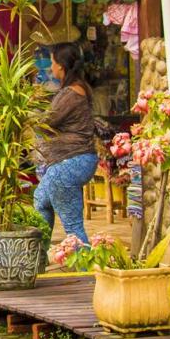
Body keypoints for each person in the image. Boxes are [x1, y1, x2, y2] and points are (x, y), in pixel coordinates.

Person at [34, 42, 98, 246]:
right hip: (74, 160)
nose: (51, 67)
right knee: (41, 200)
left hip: (70, 162)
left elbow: (46, 123)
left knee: (73, 226)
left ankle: (86, 271)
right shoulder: (78, 89)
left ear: (61, 65)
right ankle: (38, 257)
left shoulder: (71, 93)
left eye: (52, 62)